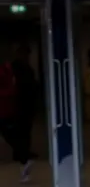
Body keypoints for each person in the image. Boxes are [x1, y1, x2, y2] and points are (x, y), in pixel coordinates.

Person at [10, 45, 37, 183]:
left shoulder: (22, 69)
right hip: (19, 106)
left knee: (23, 133)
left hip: (22, 106)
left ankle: (23, 157)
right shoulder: (18, 69)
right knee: (20, 133)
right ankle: (23, 157)